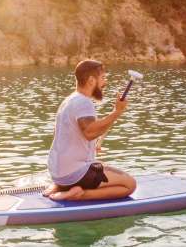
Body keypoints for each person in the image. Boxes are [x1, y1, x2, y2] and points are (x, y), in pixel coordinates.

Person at [44, 60, 137, 201]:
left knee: (99, 165)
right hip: (74, 175)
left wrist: (93, 145)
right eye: (103, 78)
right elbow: (89, 133)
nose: (104, 83)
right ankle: (78, 194)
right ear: (91, 80)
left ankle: (61, 186)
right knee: (130, 185)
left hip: (58, 173)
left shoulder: (69, 100)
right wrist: (117, 112)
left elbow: (70, 136)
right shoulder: (83, 102)